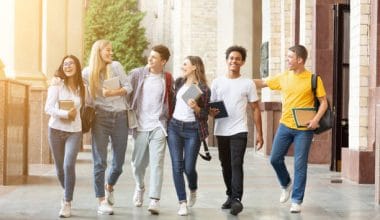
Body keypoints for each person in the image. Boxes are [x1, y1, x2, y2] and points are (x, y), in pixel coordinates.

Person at [254, 45, 328, 213]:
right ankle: (286, 183)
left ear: (299, 60)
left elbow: (324, 102)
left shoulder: (313, 79)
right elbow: (263, 82)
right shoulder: (284, 77)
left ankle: (297, 200)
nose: (287, 60)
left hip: (305, 128)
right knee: (274, 158)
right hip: (285, 125)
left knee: (300, 164)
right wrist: (241, 81)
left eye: (289, 57)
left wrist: (316, 119)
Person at [210, 46, 263, 216]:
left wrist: (260, 134)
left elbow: (255, 108)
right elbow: (212, 107)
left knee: (236, 163)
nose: (234, 61)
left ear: (243, 62)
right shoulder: (217, 82)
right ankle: (230, 195)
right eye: (231, 58)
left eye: (237, 58)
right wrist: (211, 112)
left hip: (239, 130)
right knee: (225, 165)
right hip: (221, 129)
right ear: (227, 60)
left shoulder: (248, 83)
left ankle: (237, 199)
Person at [82, 39, 132, 215]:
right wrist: (58, 79)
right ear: (98, 52)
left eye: (112, 50)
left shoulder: (117, 66)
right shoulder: (87, 73)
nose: (111, 53)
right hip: (100, 118)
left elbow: (129, 86)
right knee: (100, 161)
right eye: (108, 50)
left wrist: (114, 92)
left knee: (118, 164)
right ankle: (101, 200)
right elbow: (73, 83)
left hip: (120, 117)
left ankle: (109, 185)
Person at [127, 44, 174, 215]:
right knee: (138, 164)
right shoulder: (138, 74)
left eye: (154, 57)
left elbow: (173, 99)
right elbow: (124, 89)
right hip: (139, 126)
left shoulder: (167, 78)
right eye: (150, 56)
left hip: (159, 126)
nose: (150, 58)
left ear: (163, 61)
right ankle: (140, 186)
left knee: (157, 164)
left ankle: (154, 199)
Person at [167, 56, 211, 216]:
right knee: (177, 166)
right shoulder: (179, 83)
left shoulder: (204, 89)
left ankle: (193, 188)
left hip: (193, 129)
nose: (182, 67)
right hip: (175, 127)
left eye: (185, 64)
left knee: (189, 167)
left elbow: (206, 113)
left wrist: (196, 108)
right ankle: (182, 202)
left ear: (194, 67)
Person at [45, 55, 85, 218]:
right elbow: (48, 108)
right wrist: (65, 114)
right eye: (65, 64)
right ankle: (66, 190)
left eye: (71, 63)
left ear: (77, 67)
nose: (68, 66)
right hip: (55, 130)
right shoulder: (56, 85)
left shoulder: (83, 87)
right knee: (60, 169)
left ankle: (67, 201)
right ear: (62, 67)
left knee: (69, 165)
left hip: (74, 132)